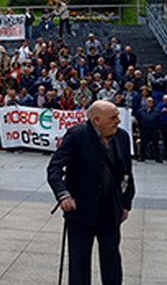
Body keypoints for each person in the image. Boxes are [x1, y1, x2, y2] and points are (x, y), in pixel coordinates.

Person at [47, 100, 135, 285]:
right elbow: (54, 168)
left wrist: (126, 203)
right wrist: (63, 194)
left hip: (110, 210)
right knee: (79, 263)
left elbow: (127, 172)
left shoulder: (122, 137)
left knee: (112, 260)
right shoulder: (77, 135)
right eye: (113, 118)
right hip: (81, 210)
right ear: (96, 121)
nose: (118, 121)